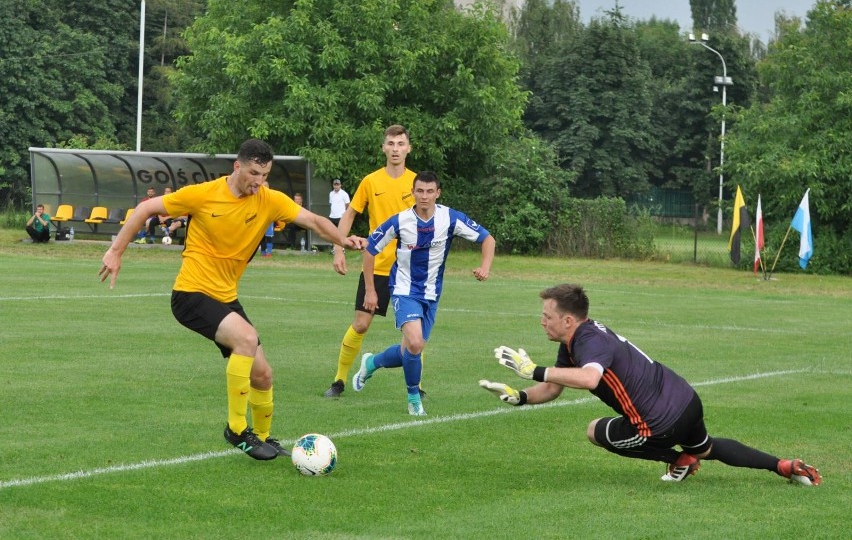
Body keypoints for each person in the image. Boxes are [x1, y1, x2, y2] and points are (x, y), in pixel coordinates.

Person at [99, 139, 365, 461]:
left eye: (265, 175)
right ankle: (237, 430)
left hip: (225, 298)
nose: (259, 181)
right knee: (247, 338)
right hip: (191, 294)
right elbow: (144, 210)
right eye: (254, 172)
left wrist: (343, 240)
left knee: (263, 374)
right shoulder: (203, 194)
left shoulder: (269, 200)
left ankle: (264, 437)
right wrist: (116, 251)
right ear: (237, 166)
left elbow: (313, 221)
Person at [480, 283, 823, 486]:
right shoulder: (578, 338)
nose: (542, 321)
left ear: (568, 320)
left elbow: (589, 378)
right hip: (686, 399)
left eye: (547, 316)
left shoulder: (588, 343)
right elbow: (555, 388)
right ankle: (782, 466)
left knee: (594, 431)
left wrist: (533, 370)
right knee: (707, 447)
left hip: (658, 422)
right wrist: (521, 396)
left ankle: (678, 461)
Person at [352, 171, 496, 416]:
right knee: (416, 343)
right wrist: (370, 291)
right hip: (403, 290)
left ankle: (371, 362)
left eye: (430, 191)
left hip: (432, 294)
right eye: (420, 191)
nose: (424, 196)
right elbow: (369, 250)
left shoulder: (450, 218)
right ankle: (413, 397)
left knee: (411, 350)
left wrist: (485, 267)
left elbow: (487, 238)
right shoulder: (400, 221)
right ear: (413, 192)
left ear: (437, 193)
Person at [323, 124, 417, 398]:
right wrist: (339, 249)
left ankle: (417, 387)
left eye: (401, 144)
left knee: (414, 330)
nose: (396, 149)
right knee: (362, 324)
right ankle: (339, 380)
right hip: (376, 266)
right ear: (384, 148)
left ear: (408, 148)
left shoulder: (417, 183)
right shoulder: (371, 181)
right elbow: (350, 214)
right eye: (391, 143)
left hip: (410, 269)